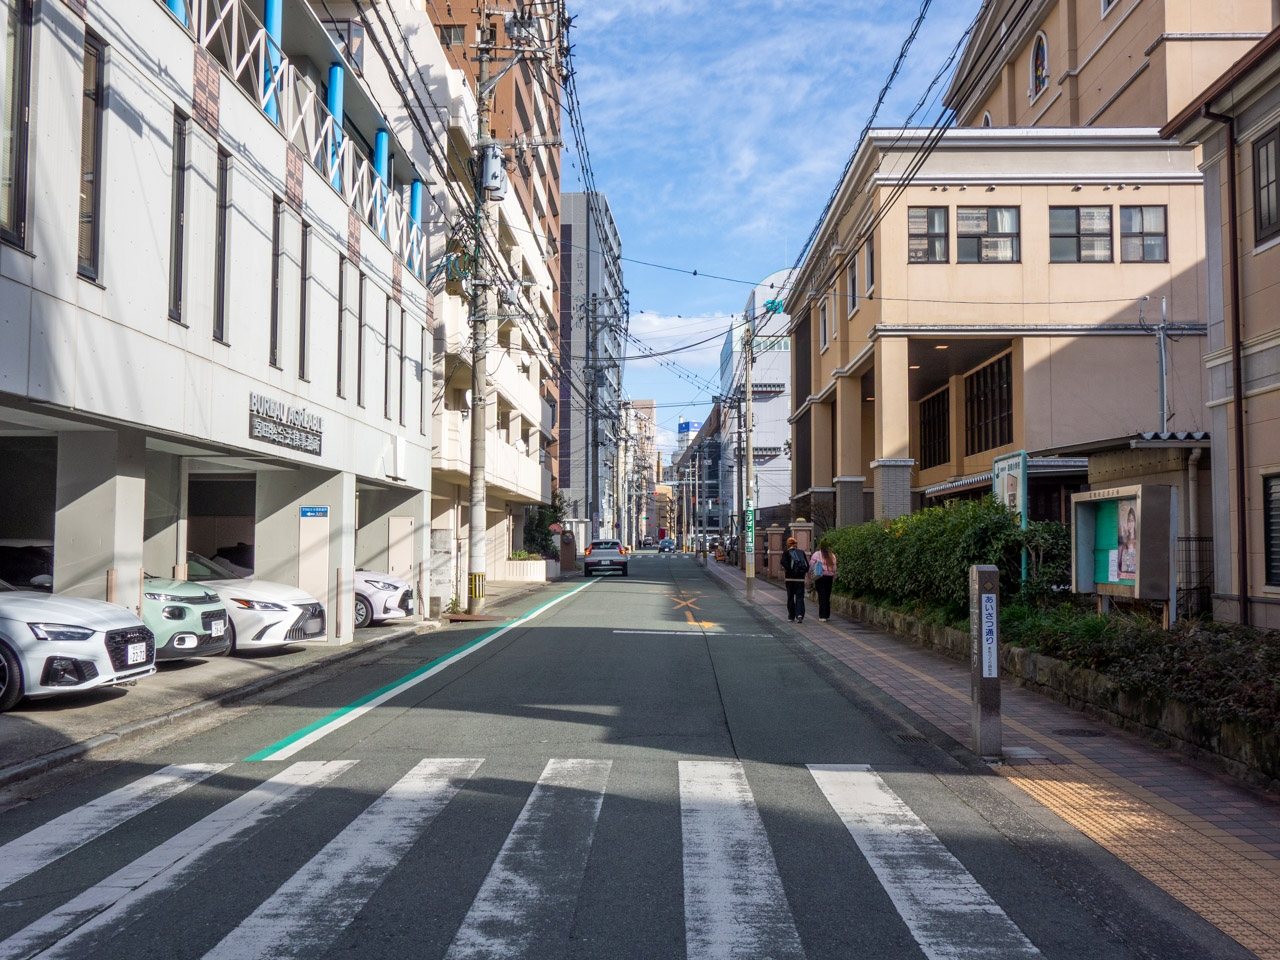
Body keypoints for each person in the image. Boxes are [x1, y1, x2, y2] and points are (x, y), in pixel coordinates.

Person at [808, 537, 837, 622]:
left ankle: (822, 615)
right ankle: (827, 614)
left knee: (822, 596)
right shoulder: (832, 555)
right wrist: (834, 577)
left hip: (820, 577)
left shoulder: (817, 554)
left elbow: (811, 565)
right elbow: (835, 568)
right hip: (829, 578)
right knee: (827, 596)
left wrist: (810, 576)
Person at [782, 536, 809, 622]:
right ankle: (800, 615)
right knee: (800, 597)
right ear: (796, 545)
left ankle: (791, 616)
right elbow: (807, 566)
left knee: (790, 597)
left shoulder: (786, 553)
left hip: (790, 579)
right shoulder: (801, 553)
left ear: (788, 545)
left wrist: (789, 571)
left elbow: (784, 564)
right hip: (800, 579)